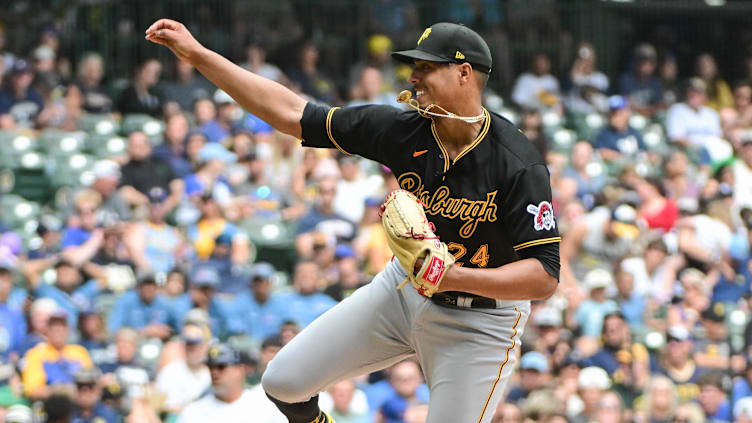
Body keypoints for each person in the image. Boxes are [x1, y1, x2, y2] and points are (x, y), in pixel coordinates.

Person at [147, 19, 559, 423]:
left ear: (464, 73)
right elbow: (293, 113)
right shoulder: (402, 130)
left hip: (482, 323)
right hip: (402, 291)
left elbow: (544, 276)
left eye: (426, 67)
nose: (413, 76)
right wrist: (200, 56)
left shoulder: (517, 162)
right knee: (284, 382)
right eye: (414, 66)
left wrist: (452, 277)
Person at [176, 342, 285, 423]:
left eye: (221, 367)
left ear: (240, 369)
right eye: (211, 367)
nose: (214, 372)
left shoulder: (265, 406)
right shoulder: (193, 412)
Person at [21, 310, 93, 400]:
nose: (58, 331)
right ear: (47, 331)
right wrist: (61, 390)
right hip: (50, 403)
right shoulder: (35, 354)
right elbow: (33, 391)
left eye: (62, 327)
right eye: (54, 327)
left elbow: (91, 383)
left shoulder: (80, 352)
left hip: (79, 402)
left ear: (68, 330)